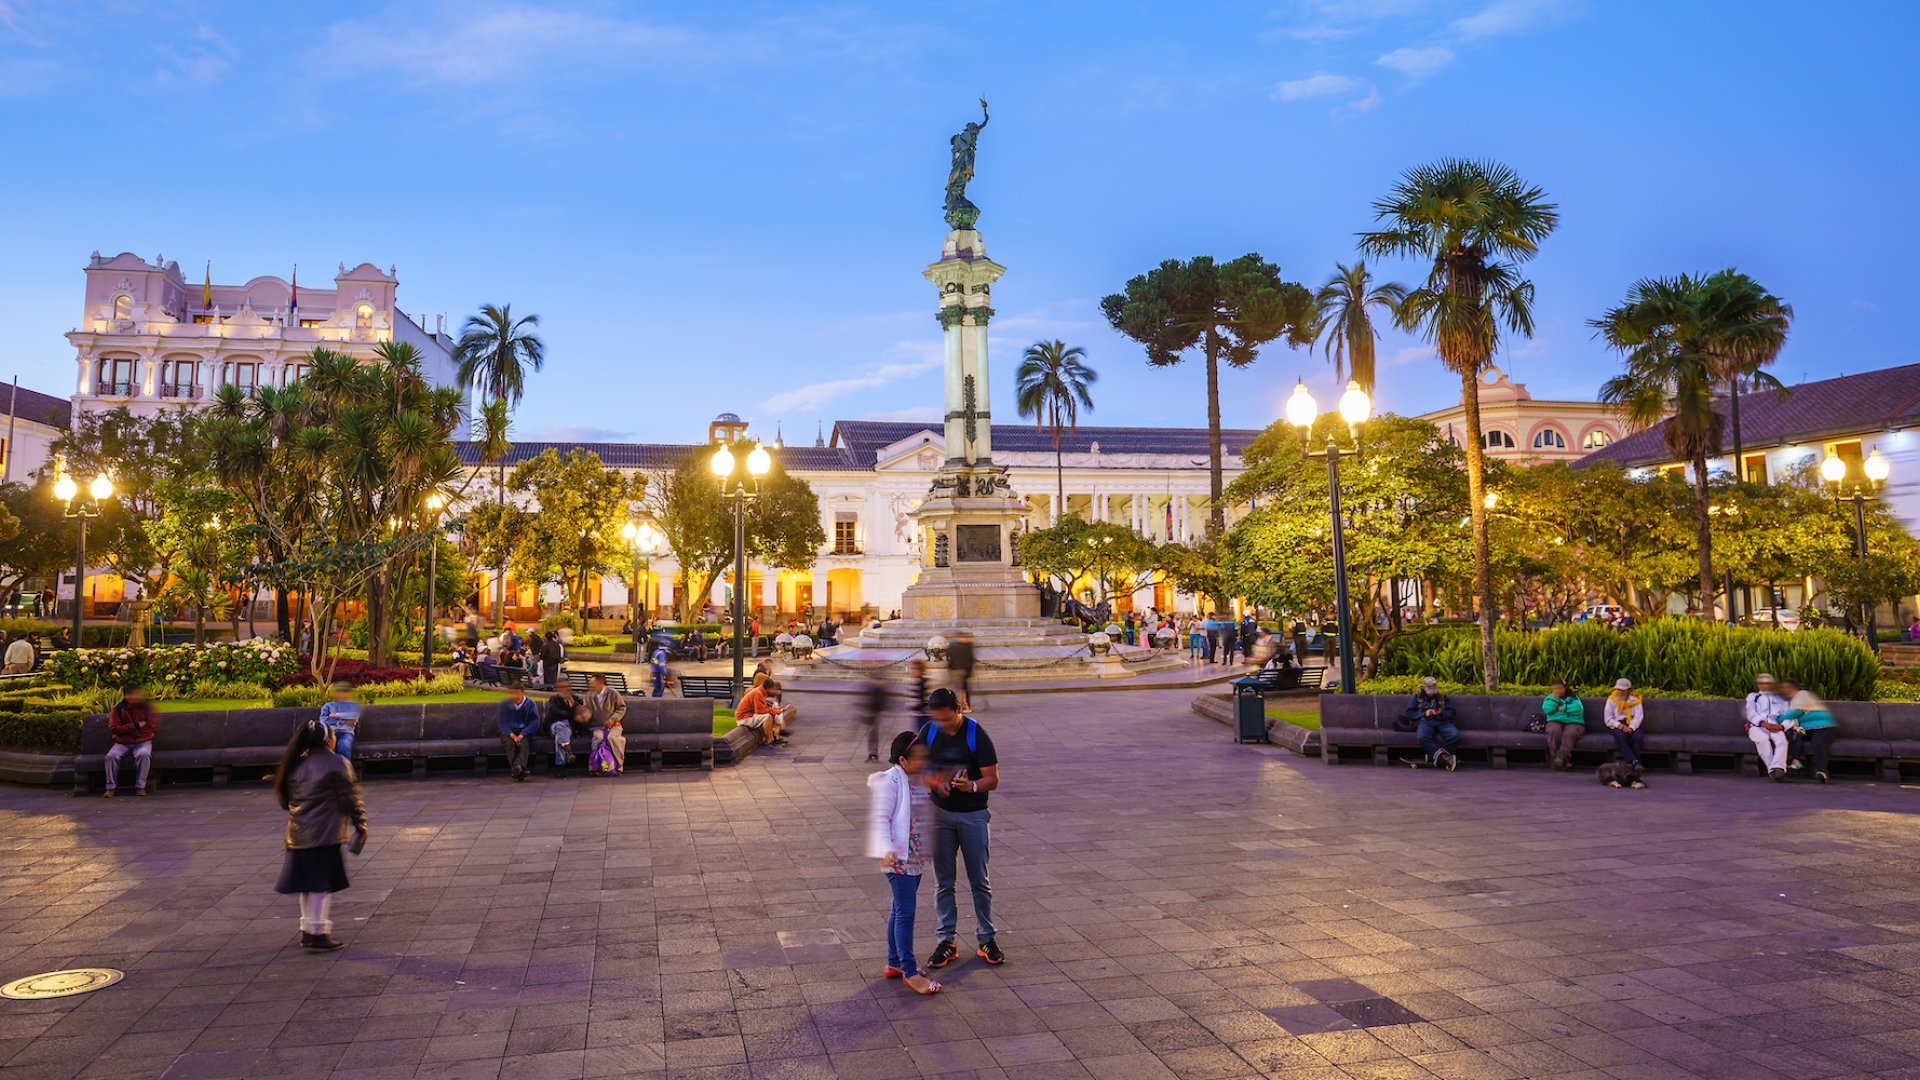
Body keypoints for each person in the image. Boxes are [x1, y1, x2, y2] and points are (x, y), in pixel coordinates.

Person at [920, 687, 1003, 970]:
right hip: (940, 814)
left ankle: (986, 938)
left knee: (979, 880)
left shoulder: (976, 734)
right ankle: (947, 940)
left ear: (958, 710)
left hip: (973, 815)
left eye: (946, 719)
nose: (942, 725)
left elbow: (993, 778)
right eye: (937, 719)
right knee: (944, 882)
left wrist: (972, 786)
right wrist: (937, 783)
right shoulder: (929, 732)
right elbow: (918, 769)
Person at [273, 717, 367, 951]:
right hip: (324, 833)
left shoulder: (294, 764)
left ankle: (308, 929)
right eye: (334, 735)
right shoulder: (337, 763)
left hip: (298, 834)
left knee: (307, 884)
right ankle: (318, 932)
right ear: (327, 740)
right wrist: (361, 825)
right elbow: (350, 799)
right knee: (319, 885)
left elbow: (287, 802)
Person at [869, 731, 942, 995]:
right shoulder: (890, 782)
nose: (924, 762)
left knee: (898, 909)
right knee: (906, 913)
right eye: (919, 758)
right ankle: (910, 972)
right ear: (903, 759)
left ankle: (894, 962)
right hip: (899, 858)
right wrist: (886, 848)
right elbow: (881, 817)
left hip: (915, 858)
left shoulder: (913, 778)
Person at [103, 684, 158, 797]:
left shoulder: (147, 708)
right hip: (122, 742)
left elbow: (150, 727)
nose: (133, 697)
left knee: (143, 754)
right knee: (111, 757)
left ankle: (140, 787)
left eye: (136, 695)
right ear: (125, 696)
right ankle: (111, 788)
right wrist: (135, 726)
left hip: (143, 741)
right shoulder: (117, 709)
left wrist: (125, 730)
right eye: (130, 695)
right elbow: (114, 728)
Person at [1781, 678, 1836, 783]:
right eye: (1783, 688)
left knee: (1817, 741)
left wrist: (1779, 719)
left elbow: (1796, 712)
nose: (1785, 690)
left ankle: (1822, 772)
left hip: (1824, 727)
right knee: (1793, 735)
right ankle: (1796, 761)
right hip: (1807, 729)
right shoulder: (1790, 701)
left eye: (1788, 687)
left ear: (1795, 688)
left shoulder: (1802, 695)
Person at [1403, 677, 1459, 770]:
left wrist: (1441, 712)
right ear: (1423, 687)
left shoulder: (1443, 698)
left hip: (1442, 721)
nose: (1431, 693)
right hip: (1425, 721)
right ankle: (1445, 757)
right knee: (1422, 737)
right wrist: (1424, 713)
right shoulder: (1416, 697)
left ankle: (1433, 755)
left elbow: (1452, 712)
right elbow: (1410, 713)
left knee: (1455, 735)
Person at [1744, 673, 1790, 781]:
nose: (1765, 685)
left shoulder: (1781, 698)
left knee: (1782, 741)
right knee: (1762, 740)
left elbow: (1788, 715)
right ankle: (1773, 770)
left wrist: (1782, 726)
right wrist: (1762, 723)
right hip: (1758, 726)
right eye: (1762, 683)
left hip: (1775, 726)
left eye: (1767, 683)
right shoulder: (1753, 697)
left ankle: (1779, 767)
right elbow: (1751, 713)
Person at [580, 674, 627, 774]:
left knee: (612, 738)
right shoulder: (588, 696)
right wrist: (584, 717)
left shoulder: (613, 693)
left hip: (613, 726)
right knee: (598, 737)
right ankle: (594, 766)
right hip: (597, 727)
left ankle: (618, 765)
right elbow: (586, 710)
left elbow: (621, 708)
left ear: (600, 683)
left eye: (592, 683)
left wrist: (612, 719)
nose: (590, 686)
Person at [497, 684, 541, 781]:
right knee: (509, 744)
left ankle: (516, 769)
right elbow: (502, 722)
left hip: (524, 732)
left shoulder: (530, 704)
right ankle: (519, 769)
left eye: (517, 693)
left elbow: (535, 722)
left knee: (524, 744)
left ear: (522, 693)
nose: (514, 696)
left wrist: (522, 734)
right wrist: (512, 735)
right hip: (509, 733)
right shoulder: (505, 704)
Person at [1540, 680, 1585, 770]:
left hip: (1574, 722)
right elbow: (1547, 710)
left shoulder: (1574, 698)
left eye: (1560, 688)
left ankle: (1561, 758)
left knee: (1570, 733)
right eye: (1555, 689)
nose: (1557, 690)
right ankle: (1558, 761)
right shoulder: (1550, 698)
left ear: (1565, 689)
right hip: (1555, 721)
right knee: (1553, 730)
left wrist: (1562, 708)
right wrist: (1555, 700)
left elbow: (1578, 709)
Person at [735, 678, 793, 745]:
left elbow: (764, 708)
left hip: (749, 715)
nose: (772, 691)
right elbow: (760, 711)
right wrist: (774, 711)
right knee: (767, 717)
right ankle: (770, 740)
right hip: (744, 718)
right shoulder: (758, 693)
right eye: (772, 689)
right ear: (768, 688)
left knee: (770, 715)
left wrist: (774, 711)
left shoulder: (760, 692)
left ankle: (774, 737)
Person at [1604, 678, 1645, 766]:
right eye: (1618, 689)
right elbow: (1608, 719)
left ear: (1629, 690)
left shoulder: (1636, 700)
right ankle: (1635, 762)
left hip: (1632, 723)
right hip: (1617, 724)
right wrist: (1620, 726)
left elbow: (1638, 717)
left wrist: (1631, 727)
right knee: (1621, 736)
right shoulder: (1611, 700)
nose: (1620, 692)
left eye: (1623, 690)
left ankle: (1634, 763)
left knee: (1637, 737)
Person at [318, 681, 363, 761]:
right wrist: (345, 721)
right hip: (330, 733)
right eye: (339, 691)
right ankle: (329, 771)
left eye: (345, 691)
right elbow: (323, 720)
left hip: (346, 733)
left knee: (344, 745)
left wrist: (335, 715)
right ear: (335, 693)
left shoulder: (353, 705)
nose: (342, 694)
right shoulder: (328, 706)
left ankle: (344, 770)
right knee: (326, 747)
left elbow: (354, 716)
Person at [546, 681, 579, 778]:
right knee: (560, 725)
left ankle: (560, 766)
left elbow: (580, 712)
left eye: (566, 687)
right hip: (553, 727)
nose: (564, 690)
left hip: (569, 730)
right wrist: (572, 711)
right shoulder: (553, 700)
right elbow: (557, 712)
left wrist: (572, 704)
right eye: (561, 688)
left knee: (559, 737)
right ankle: (568, 752)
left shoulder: (576, 699)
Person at [859, 675, 890, 762]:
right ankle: (873, 754)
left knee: (872, 733)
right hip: (872, 712)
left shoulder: (875, 685)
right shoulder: (876, 684)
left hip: (873, 712)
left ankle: (873, 754)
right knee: (872, 733)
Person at [946, 632, 976, 712]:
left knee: (955, 689)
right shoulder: (967, 647)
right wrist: (969, 672)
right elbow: (970, 660)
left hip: (953, 670)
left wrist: (949, 669)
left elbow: (949, 658)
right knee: (964, 689)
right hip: (963, 671)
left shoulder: (951, 646)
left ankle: (954, 706)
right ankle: (966, 706)